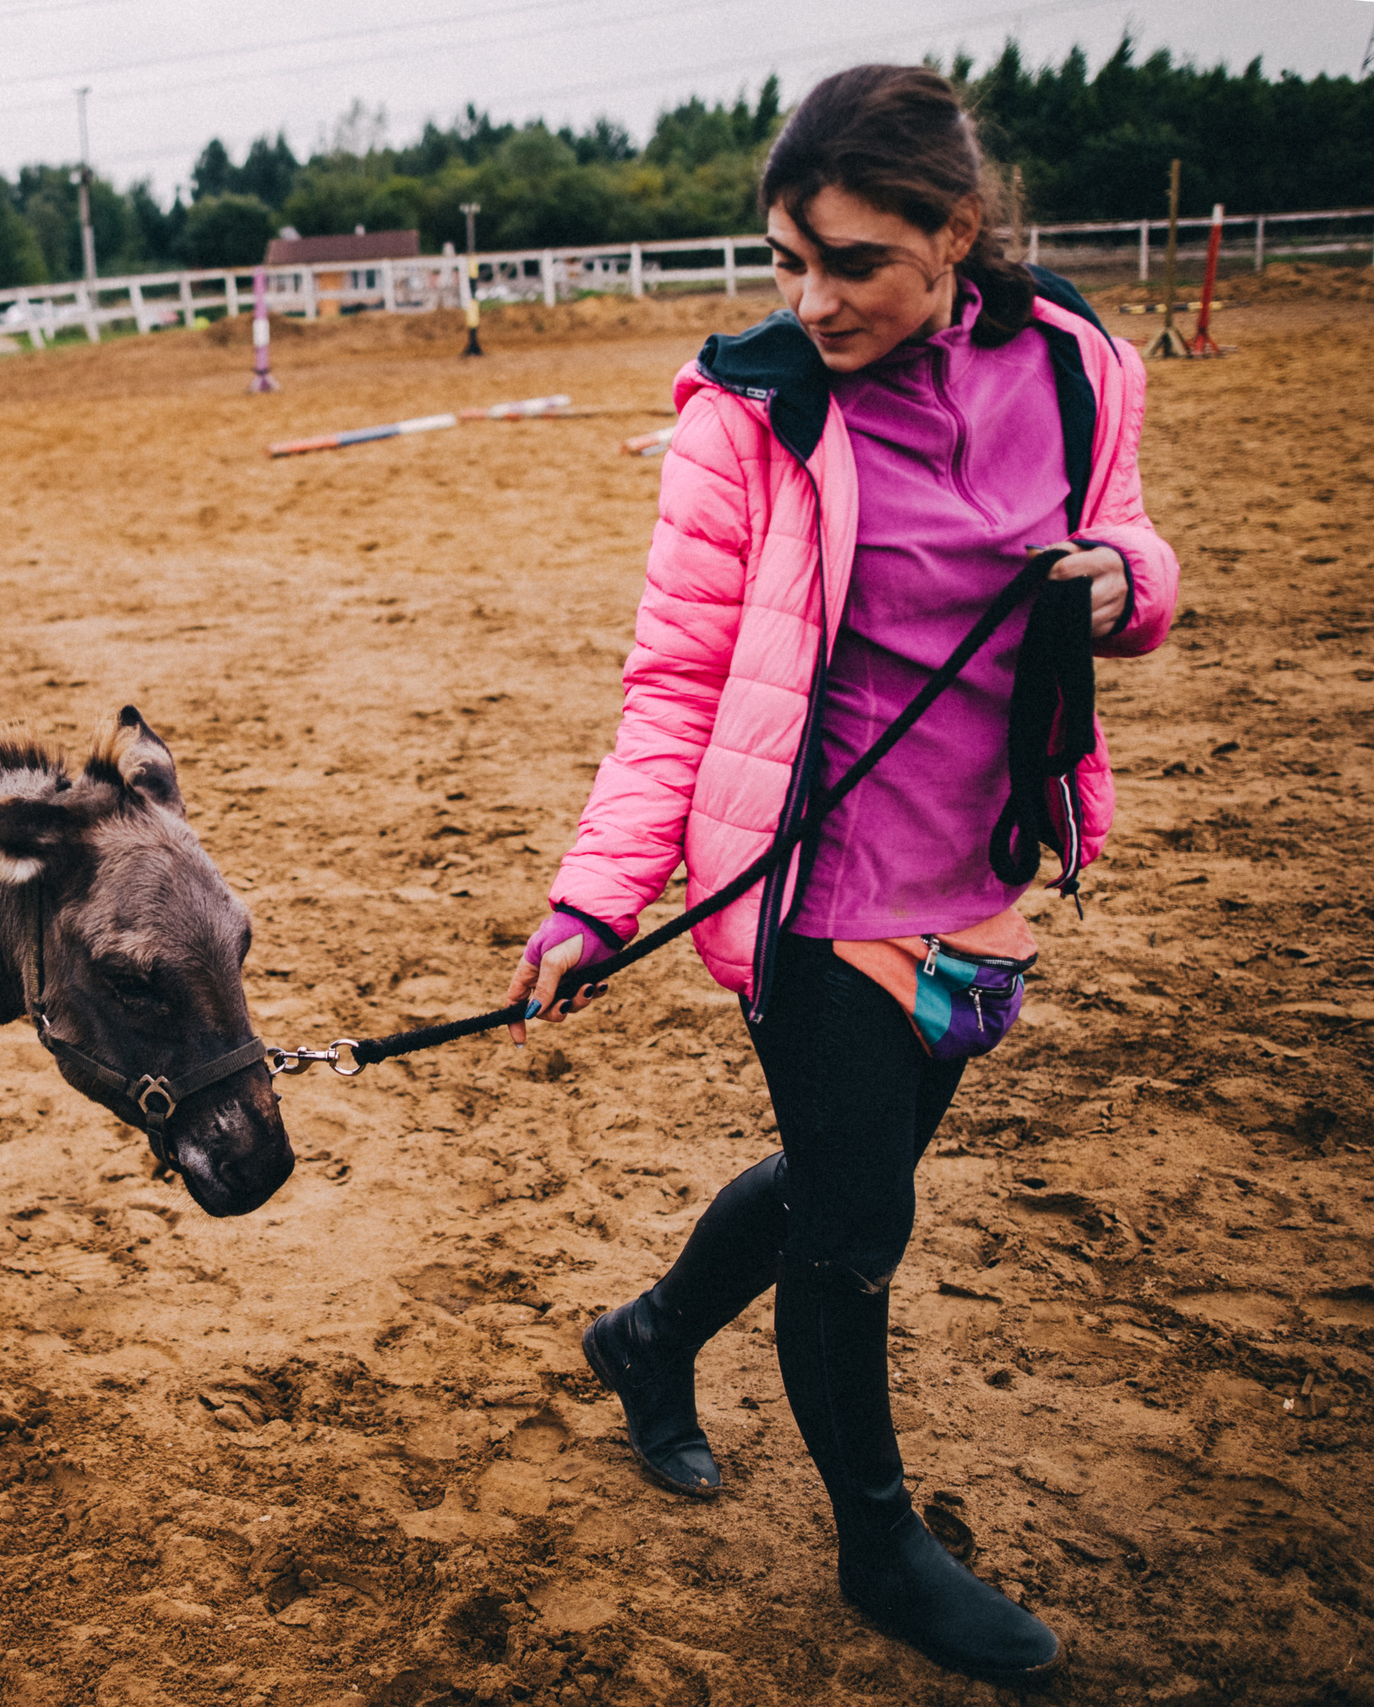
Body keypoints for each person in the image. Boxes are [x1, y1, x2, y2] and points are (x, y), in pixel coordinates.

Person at [502, 64, 1176, 1686]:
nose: (810, 300)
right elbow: (672, 684)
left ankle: (648, 1340)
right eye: (787, 261)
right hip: (808, 895)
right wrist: (598, 897)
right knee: (861, 1208)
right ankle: (881, 1548)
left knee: (827, 1178)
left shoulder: (1079, 365)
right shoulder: (746, 413)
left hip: (982, 875)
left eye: (851, 262)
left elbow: (1142, 557)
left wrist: (1118, 587)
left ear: (956, 232)